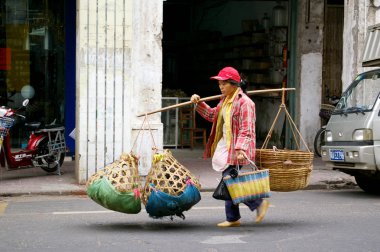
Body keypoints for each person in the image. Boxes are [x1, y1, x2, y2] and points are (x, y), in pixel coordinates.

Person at [190, 66, 269, 227]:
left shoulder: (245, 103)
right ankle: (234, 217)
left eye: (224, 84)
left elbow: (247, 129)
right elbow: (212, 115)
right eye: (219, 84)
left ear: (234, 84)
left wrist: (240, 150)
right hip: (226, 147)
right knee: (230, 180)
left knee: (230, 180)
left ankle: (257, 204)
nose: (221, 87)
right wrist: (199, 103)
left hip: (238, 148)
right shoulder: (224, 101)